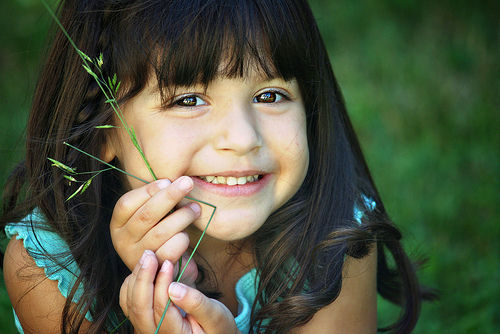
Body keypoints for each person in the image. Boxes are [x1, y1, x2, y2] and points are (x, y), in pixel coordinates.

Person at [0, 0, 434, 333]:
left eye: (270, 96)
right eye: (189, 100)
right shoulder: (48, 266)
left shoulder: (335, 235)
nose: (243, 138)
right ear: (102, 129)